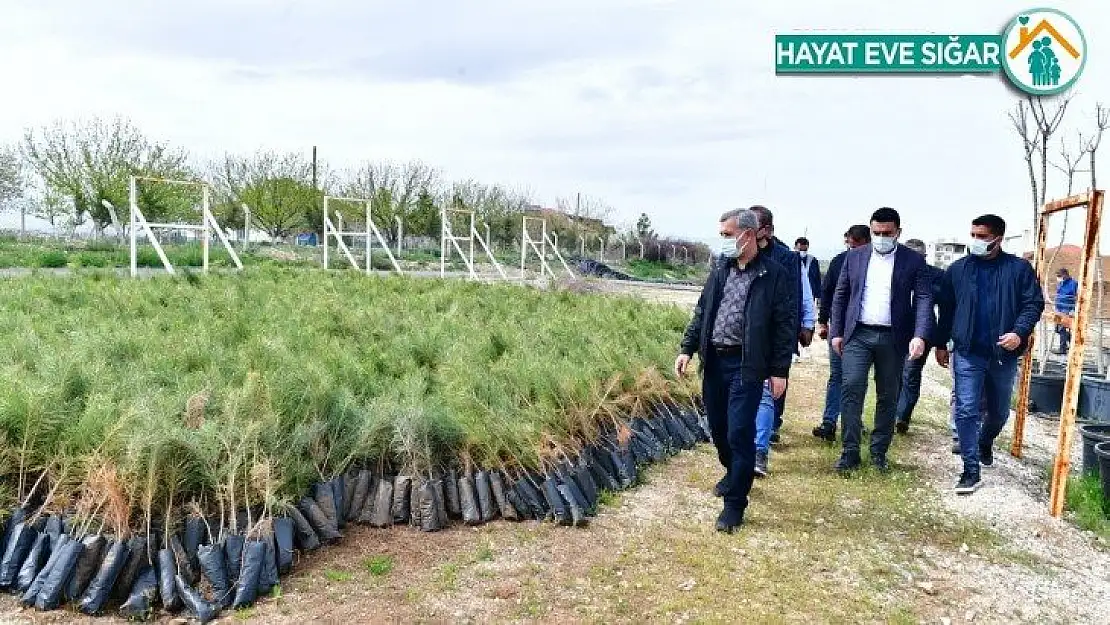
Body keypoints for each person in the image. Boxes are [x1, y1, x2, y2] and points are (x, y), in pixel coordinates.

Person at [675, 208, 796, 532]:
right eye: (722, 236)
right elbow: (703, 311)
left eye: (727, 235)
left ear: (748, 234)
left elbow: (785, 326)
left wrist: (779, 370)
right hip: (714, 361)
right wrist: (687, 349)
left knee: (739, 432)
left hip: (747, 364)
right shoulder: (720, 269)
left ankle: (735, 505)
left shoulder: (773, 275)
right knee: (718, 430)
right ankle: (734, 473)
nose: (724, 242)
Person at [935, 214, 1045, 494]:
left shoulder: (1018, 269)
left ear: (998, 238)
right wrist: (940, 343)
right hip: (967, 352)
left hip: (1002, 355)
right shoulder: (958, 270)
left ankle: (985, 441)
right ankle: (970, 469)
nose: (975, 241)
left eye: (982, 237)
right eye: (973, 235)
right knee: (966, 408)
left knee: (998, 413)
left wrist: (1019, 332)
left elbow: (1033, 304)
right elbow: (946, 309)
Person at [829, 207, 932, 473]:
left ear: (898, 232)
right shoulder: (855, 257)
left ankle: (878, 453)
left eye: (887, 233)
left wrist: (919, 335)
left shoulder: (913, 261)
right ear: (871, 230)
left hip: (893, 337)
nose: (882, 237)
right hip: (858, 334)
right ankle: (850, 451)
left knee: (888, 395)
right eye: (876, 232)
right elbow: (841, 294)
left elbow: (923, 298)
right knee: (852, 387)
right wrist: (836, 332)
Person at [749, 206, 810, 477]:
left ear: (768, 230)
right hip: (741, 336)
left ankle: (760, 450)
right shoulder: (736, 254)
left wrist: (804, 325)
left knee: (766, 392)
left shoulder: (786, 259)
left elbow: (795, 297)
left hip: (771, 334)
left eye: (754, 226)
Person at [813, 225, 871, 441]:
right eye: (849, 244)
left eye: (855, 245)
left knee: (857, 379)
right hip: (839, 329)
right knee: (837, 376)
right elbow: (827, 294)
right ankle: (829, 422)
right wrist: (822, 322)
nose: (851, 248)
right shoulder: (839, 262)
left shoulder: (874, 264)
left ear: (866, 242)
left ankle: (855, 421)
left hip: (862, 331)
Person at [894, 239, 945, 434]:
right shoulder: (894, 272)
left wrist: (940, 340)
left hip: (922, 333)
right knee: (894, 373)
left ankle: (902, 417)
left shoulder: (937, 276)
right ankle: (892, 412)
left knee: (911, 373)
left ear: (924, 257)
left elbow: (945, 309)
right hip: (896, 331)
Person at [1054, 268, 1077, 354]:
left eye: (1059, 276)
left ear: (1065, 275)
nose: (1058, 278)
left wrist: (1073, 309)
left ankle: (1062, 349)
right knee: (1057, 329)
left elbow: (1076, 296)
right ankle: (1071, 342)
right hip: (1058, 309)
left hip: (1067, 309)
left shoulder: (1073, 283)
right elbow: (1059, 295)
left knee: (1062, 328)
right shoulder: (1060, 283)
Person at [795, 237, 822, 310]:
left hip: (809, 294)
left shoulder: (812, 260)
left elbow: (817, 279)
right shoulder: (790, 259)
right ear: (795, 247)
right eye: (800, 249)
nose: (803, 251)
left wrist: (819, 296)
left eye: (805, 249)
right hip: (794, 295)